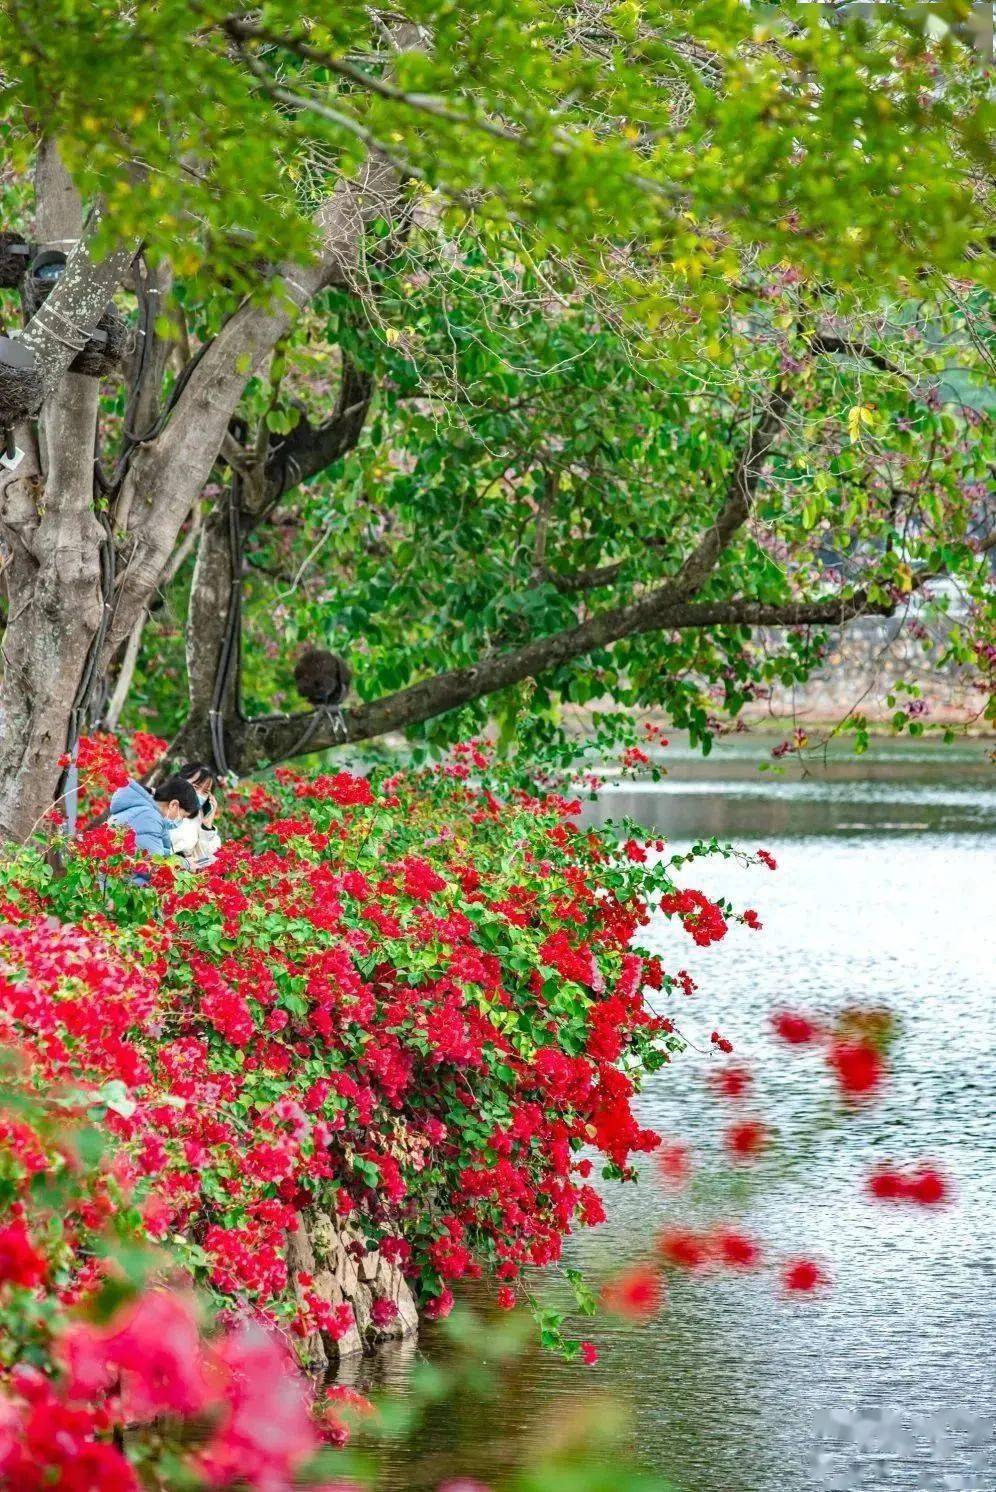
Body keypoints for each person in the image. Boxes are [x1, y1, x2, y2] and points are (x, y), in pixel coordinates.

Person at [108, 775, 200, 859]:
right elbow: (154, 866)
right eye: (183, 816)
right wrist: (186, 864)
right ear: (174, 805)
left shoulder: (146, 810)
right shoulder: (150, 818)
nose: (181, 820)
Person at [173, 762, 223, 865]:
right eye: (195, 787)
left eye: (205, 792)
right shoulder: (160, 808)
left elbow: (206, 860)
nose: (198, 794)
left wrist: (207, 827)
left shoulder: (197, 818)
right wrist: (184, 863)